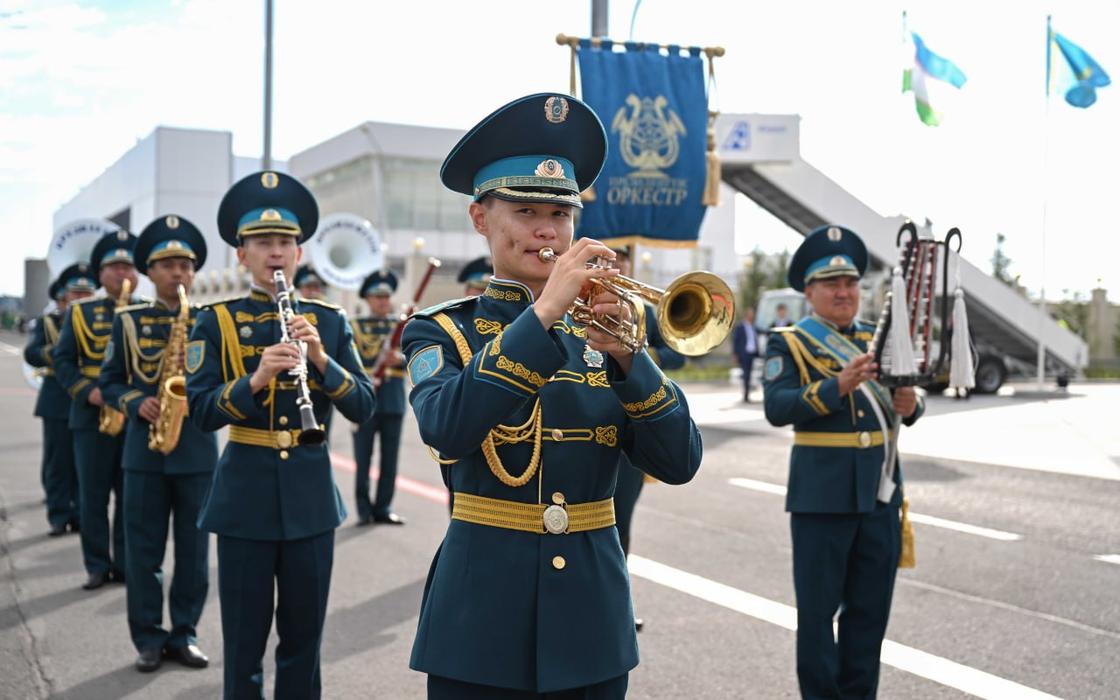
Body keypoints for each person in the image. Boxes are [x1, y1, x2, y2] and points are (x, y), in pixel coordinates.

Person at [402, 93, 702, 699]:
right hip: (479, 622)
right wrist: (543, 314)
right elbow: (447, 427)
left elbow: (680, 462)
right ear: (481, 219)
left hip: (592, 620)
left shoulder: (611, 330)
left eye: (561, 214)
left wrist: (630, 358)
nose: (547, 229)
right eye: (526, 210)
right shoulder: (442, 329)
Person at [185, 170, 375, 699]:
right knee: (244, 643)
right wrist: (256, 378)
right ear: (241, 255)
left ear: (299, 252)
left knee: (303, 641)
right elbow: (201, 411)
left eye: (285, 243)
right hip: (244, 500)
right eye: (262, 243)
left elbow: (364, 405)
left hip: (311, 501)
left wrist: (321, 360)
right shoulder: (215, 321)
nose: (276, 253)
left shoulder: (330, 321)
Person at [762, 225, 923, 700]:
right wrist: (837, 386)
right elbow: (778, 407)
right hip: (821, 500)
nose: (844, 292)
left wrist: (912, 405)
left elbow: (907, 404)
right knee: (817, 618)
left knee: (870, 615)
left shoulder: (880, 337)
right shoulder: (790, 341)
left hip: (880, 498)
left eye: (851, 283)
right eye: (831, 284)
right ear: (809, 292)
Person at [99, 215, 217, 673]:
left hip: (197, 453)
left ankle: (184, 633)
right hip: (143, 454)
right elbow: (108, 382)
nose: (179, 274)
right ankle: (147, 638)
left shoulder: (208, 320)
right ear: (150, 272)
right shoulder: (128, 321)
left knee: (193, 555)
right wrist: (135, 402)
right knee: (143, 553)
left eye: (186, 266)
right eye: (168, 266)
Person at [52, 229, 141, 590]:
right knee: (93, 496)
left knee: (130, 497)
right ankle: (96, 565)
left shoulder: (148, 312)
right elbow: (62, 360)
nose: (122, 274)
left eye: (128, 267)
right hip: (92, 418)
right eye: (114, 268)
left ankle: (123, 564)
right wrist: (87, 392)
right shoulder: (80, 312)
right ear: (101, 275)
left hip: (135, 417)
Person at [607, 245, 685, 633]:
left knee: (620, 520)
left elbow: (679, 356)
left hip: (632, 424)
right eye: (607, 258)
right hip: (585, 418)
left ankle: (617, 604)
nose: (615, 265)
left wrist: (635, 350)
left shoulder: (644, 310)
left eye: (620, 259)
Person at [25, 264, 96, 536]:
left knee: (84, 465)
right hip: (57, 401)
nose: (80, 299)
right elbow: (32, 353)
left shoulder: (98, 321)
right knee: (57, 463)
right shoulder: (49, 323)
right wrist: (58, 354)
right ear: (64, 298)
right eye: (76, 294)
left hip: (86, 401)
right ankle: (58, 514)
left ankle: (79, 514)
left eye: (86, 294)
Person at [350, 269, 407, 526]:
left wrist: (401, 359)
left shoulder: (403, 325)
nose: (383, 301)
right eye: (377, 296)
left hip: (393, 400)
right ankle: (363, 508)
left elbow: (419, 360)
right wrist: (377, 361)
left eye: (386, 296)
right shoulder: (355, 326)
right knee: (363, 458)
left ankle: (383, 507)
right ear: (367, 299)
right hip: (366, 399)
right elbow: (350, 361)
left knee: (390, 458)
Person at [732, 307, 760, 402]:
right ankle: (746, 395)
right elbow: (736, 341)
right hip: (744, 354)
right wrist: (735, 354)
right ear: (747, 315)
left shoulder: (753, 326)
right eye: (751, 314)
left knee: (749, 374)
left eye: (753, 314)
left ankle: (747, 394)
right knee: (746, 374)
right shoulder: (740, 327)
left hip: (752, 354)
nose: (752, 316)